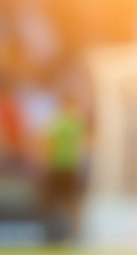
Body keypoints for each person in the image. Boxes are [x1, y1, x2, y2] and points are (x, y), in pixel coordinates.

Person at [41, 94, 87, 245]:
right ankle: (76, 234)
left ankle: (48, 234)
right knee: (71, 203)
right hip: (69, 167)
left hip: (58, 167)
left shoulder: (57, 122)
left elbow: (48, 143)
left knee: (53, 203)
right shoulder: (74, 122)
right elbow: (84, 143)